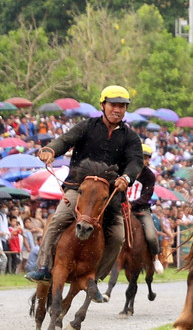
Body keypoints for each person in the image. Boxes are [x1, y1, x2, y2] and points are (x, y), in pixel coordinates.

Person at [25, 85, 144, 302]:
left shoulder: (131, 138)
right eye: (113, 105)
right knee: (58, 219)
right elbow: (65, 140)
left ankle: (94, 279)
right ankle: (43, 267)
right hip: (78, 188)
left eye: (122, 106)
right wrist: (51, 149)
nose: (117, 110)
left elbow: (136, 161)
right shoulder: (87, 126)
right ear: (103, 105)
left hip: (109, 197)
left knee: (118, 237)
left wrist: (126, 178)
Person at [125, 144, 165, 274]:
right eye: (143, 157)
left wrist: (133, 204)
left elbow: (147, 195)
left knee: (151, 235)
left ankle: (155, 258)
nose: (146, 161)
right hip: (123, 208)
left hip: (141, 210)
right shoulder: (125, 170)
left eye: (148, 158)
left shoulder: (149, 176)